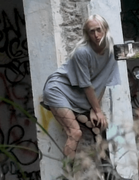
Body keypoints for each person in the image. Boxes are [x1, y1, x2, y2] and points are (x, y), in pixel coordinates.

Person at [42, 14, 120, 159]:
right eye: (92, 31)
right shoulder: (82, 53)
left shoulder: (112, 52)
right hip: (58, 90)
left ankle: (109, 173)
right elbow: (86, 85)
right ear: (87, 34)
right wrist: (96, 109)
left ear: (105, 29)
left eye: (99, 29)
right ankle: (68, 175)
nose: (96, 35)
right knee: (74, 132)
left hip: (78, 95)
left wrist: (95, 110)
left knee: (100, 126)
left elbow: (102, 82)